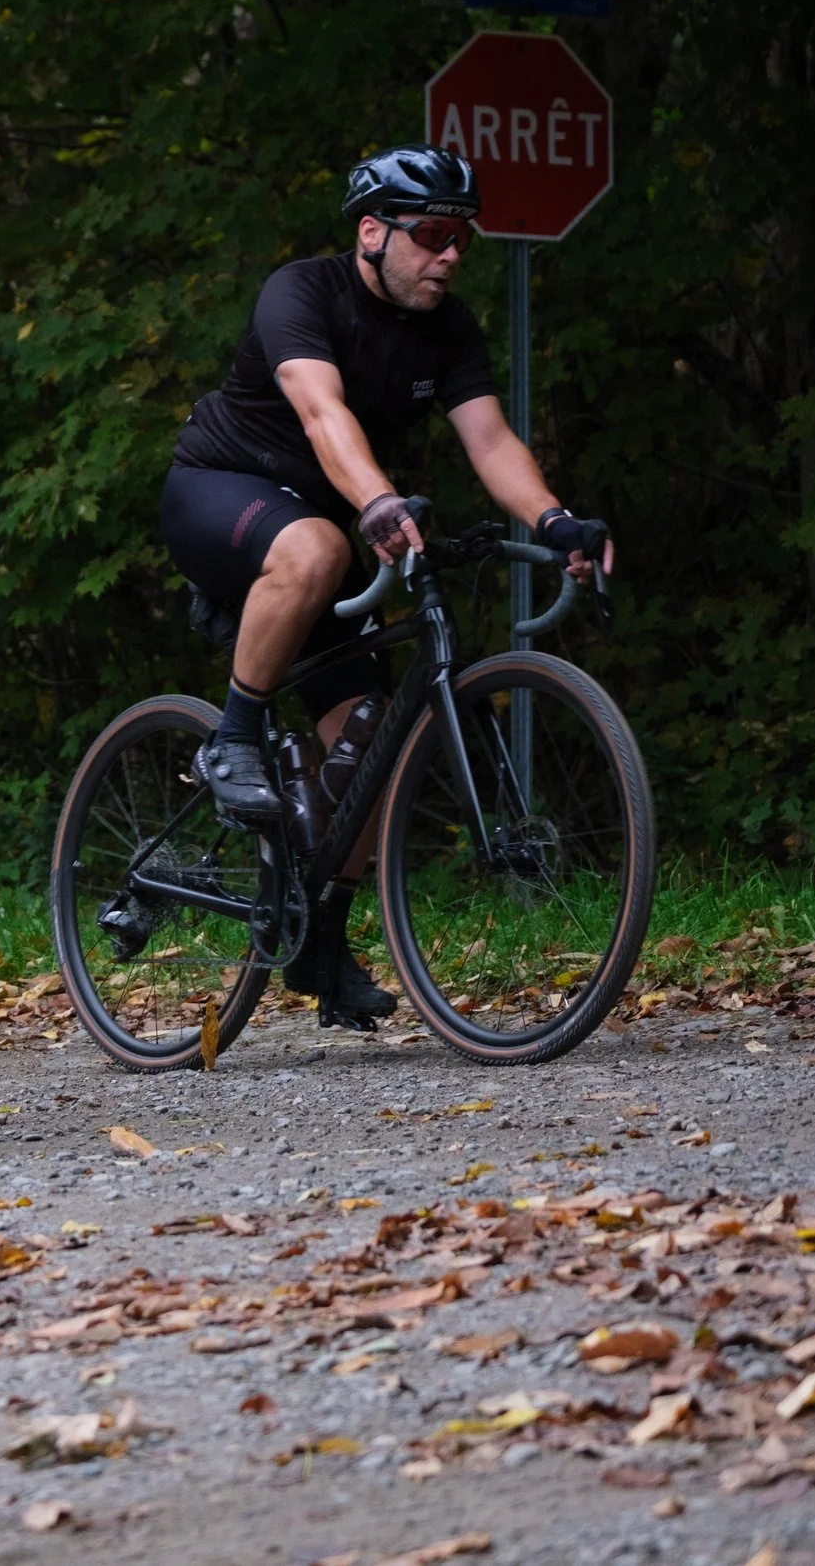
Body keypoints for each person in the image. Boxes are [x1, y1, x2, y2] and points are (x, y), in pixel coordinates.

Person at [160, 143, 615, 1029]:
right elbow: (321, 410)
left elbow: (490, 440)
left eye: (463, 240)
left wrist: (556, 521)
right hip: (222, 489)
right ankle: (233, 739)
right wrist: (375, 500)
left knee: (374, 742)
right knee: (318, 545)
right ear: (373, 232)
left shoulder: (449, 329)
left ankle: (320, 941)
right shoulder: (302, 292)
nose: (451, 254)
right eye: (434, 234)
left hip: (334, 524)